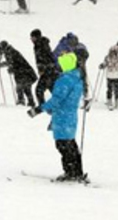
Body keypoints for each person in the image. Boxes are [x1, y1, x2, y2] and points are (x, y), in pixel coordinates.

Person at [28, 52, 85, 182]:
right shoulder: (77, 78)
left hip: (61, 116)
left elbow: (57, 99)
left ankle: (70, 172)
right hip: (71, 116)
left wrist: (39, 109)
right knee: (71, 144)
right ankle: (77, 171)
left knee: (62, 145)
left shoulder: (64, 80)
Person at [0, 41, 38, 106]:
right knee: (26, 88)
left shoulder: (10, 52)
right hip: (25, 73)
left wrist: (11, 68)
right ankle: (30, 102)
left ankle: (21, 101)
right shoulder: (10, 51)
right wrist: (2, 65)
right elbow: (12, 63)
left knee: (21, 87)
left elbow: (14, 63)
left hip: (24, 73)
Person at [31, 29, 58, 106]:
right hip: (50, 71)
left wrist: (42, 68)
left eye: (33, 37)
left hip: (48, 71)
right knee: (53, 89)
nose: (31, 39)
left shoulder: (41, 45)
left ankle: (42, 107)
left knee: (39, 90)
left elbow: (46, 58)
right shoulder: (40, 44)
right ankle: (62, 105)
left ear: (37, 37)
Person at [100, 45, 118, 110]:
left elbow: (105, 63)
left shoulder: (108, 57)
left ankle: (109, 100)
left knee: (109, 89)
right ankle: (117, 101)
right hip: (117, 75)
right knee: (117, 89)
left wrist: (102, 66)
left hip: (110, 76)